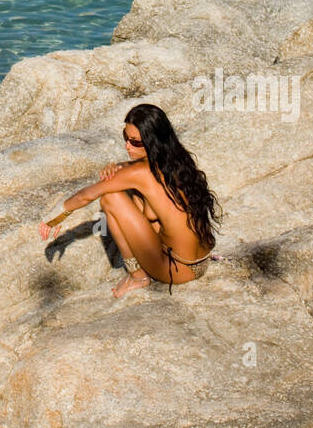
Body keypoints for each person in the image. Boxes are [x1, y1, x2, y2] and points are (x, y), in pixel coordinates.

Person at [39, 104, 220, 298]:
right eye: (125, 138)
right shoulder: (177, 161)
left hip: (176, 269)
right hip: (201, 261)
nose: (127, 146)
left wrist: (53, 218)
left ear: (152, 141)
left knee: (110, 198)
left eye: (135, 142)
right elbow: (134, 172)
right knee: (131, 193)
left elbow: (85, 196)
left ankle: (138, 276)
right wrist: (118, 168)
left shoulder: (139, 173)